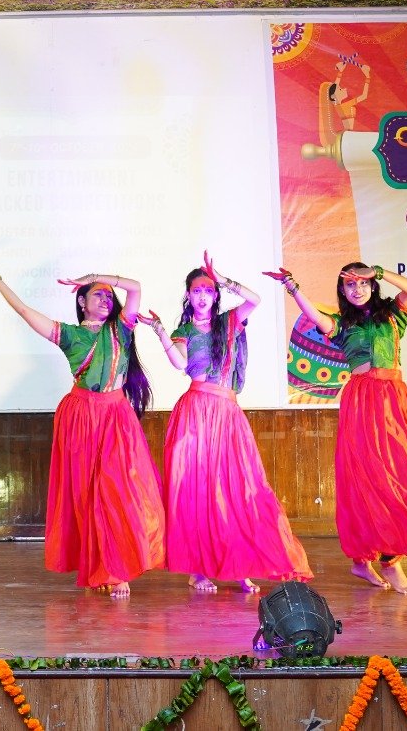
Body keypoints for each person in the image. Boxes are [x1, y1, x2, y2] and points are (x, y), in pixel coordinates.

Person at [0, 264, 164, 598]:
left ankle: (116, 567)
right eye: (97, 295)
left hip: (117, 417)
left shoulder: (121, 328)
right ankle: (103, 568)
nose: (106, 300)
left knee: (118, 491)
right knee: (89, 496)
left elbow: (135, 287)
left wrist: (95, 278)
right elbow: (24, 311)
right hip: (82, 417)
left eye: (109, 296)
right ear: (81, 302)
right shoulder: (71, 335)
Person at [143, 253, 312, 593]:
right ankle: (198, 569)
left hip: (227, 413)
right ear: (188, 295)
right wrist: (161, 332)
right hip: (195, 412)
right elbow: (180, 364)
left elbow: (255, 299)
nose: (203, 296)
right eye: (197, 291)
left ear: (215, 294)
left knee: (239, 489)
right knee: (196, 491)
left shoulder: (229, 322)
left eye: (209, 290)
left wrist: (223, 279)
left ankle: (238, 564)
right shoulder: (184, 331)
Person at [273, 262, 407, 595]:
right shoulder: (342, 324)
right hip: (363, 401)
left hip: (395, 399)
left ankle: (367, 560)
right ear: (342, 291)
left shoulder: (393, 315)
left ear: (372, 284)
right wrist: (292, 287)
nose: (357, 289)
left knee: (403, 476)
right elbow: (314, 315)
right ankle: (386, 562)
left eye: (362, 283)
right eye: (349, 285)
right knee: (371, 477)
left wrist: (376, 271)